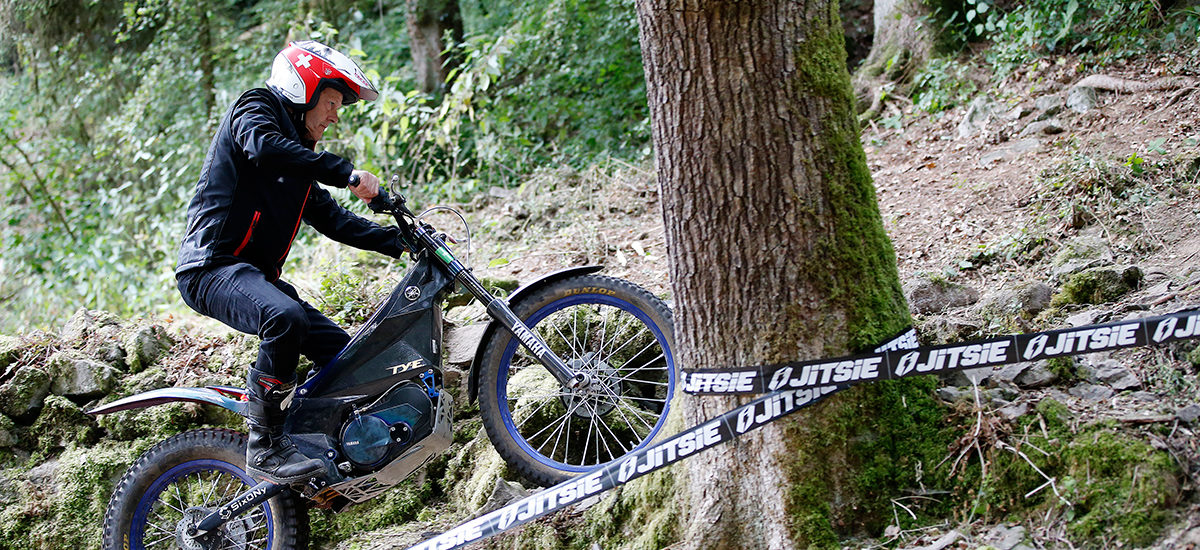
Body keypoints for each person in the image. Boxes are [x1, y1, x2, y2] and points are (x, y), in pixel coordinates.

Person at [175, 40, 407, 484]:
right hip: (211, 268)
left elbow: (336, 221)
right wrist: (346, 173)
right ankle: (264, 447)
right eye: (333, 101)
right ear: (304, 87)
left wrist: (401, 242)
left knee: (346, 358)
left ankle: (322, 453)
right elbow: (263, 146)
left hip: (252, 276)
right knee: (283, 317)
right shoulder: (255, 109)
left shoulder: (297, 158)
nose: (336, 115)